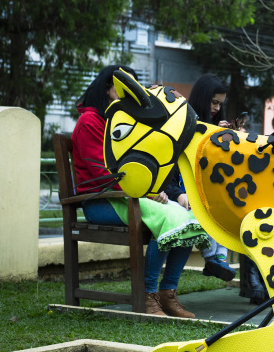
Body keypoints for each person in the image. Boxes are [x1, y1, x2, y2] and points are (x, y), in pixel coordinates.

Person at [71, 65, 212, 318]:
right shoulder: (90, 121)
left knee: (190, 218)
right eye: (123, 87)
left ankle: (168, 295)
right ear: (108, 88)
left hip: (133, 197)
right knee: (168, 219)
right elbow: (105, 174)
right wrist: (146, 193)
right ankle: (148, 297)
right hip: (101, 201)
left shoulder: (129, 118)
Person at [187, 73, 268, 304]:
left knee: (251, 211)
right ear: (202, 98)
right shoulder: (187, 122)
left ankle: (244, 273)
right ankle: (217, 259)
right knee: (223, 209)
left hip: (219, 187)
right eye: (213, 102)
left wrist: (235, 139)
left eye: (220, 104)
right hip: (193, 187)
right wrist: (212, 132)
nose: (216, 107)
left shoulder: (215, 123)